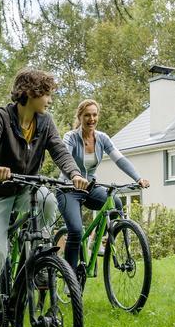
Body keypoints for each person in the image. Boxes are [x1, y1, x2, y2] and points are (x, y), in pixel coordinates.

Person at [0, 68, 90, 327]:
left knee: (49, 200)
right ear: (30, 93)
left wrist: (74, 173)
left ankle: (34, 262)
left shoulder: (45, 122)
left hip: (25, 190)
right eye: (46, 94)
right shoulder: (1, 116)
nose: (49, 100)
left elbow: (60, 151)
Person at [57, 99, 149, 276]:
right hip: (68, 189)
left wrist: (138, 178)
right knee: (75, 231)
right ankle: (70, 276)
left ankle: (97, 244)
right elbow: (65, 159)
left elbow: (120, 159)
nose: (91, 119)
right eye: (87, 115)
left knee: (114, 203)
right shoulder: (71, 137)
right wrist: (75, 176)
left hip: (90, 188)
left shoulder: (102, 138)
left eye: (94, 114)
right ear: (80, 117)